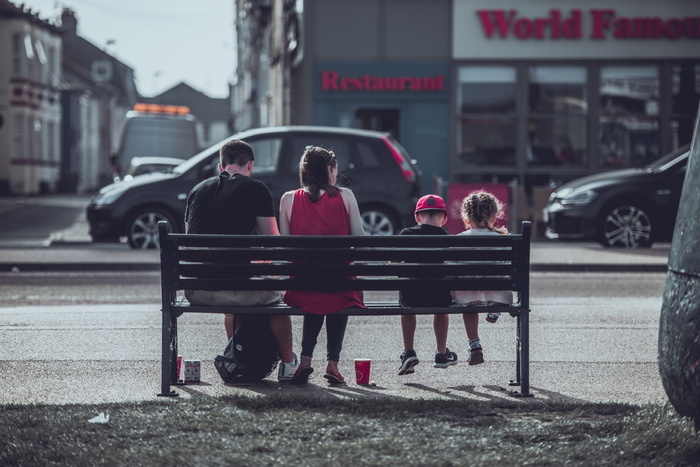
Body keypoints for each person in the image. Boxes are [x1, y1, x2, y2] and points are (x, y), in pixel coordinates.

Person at [183, 139, 299, 382]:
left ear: (220, 166)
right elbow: (272, 243)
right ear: (250, 166)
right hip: (236, 290)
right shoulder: (255, 188)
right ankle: (289, 365)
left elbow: (192, 243)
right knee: (276, 298)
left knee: (234, 292)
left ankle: (237, 357)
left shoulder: (197, 190)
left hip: (196, 290)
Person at [279, 145, 366, 385]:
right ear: (329, 169)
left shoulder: (288, 199)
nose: (337, 175)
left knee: (314, 290)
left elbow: (287, 250)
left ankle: (305, 361)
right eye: (335, 170)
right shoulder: (346, 196)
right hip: (342, 285)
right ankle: (333, 364)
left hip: (302, 286)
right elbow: (359, 241)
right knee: (338, 287)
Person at [451, 190, 513, 365]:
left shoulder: (460, 239)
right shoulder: (503, 239)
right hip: (499, 293)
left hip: (468, 295)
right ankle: (495, 308)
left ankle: (474, 345)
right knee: (497, 282)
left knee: (469, 301)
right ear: (494, 217)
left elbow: (452, 269)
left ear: (466, 218)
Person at [398, 194, 458, 376]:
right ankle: (441, 353)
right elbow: (454, 272)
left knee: (405, 298)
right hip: (439, 296)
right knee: (442, 303)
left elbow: (392, 264)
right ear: (445, 218)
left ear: (417, 217)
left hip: (411, 296)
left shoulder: (405, 234)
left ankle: (408, 351)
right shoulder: (447, 238)